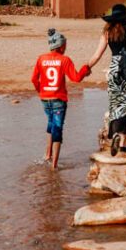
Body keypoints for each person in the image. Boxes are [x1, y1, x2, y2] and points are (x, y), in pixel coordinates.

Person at [86, 4, 126, 156]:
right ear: (125, 16)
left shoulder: (107, 31)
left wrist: (87, 67)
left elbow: (97, 54)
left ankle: (114, 135)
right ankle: (121, 143)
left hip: (114, 69)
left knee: (115, 104)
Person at [31, 28, 90, 169]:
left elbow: (34, 79)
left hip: (45, 99)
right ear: (61, 46)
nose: (66, 47)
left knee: (50, 123)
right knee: (57, 129)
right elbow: (75, 78)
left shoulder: (41, 59)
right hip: (58, 100)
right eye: (65, 45)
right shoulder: (65, 60)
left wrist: (41, 91)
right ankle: (54, 166)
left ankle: (47, 154)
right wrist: (85, 70)